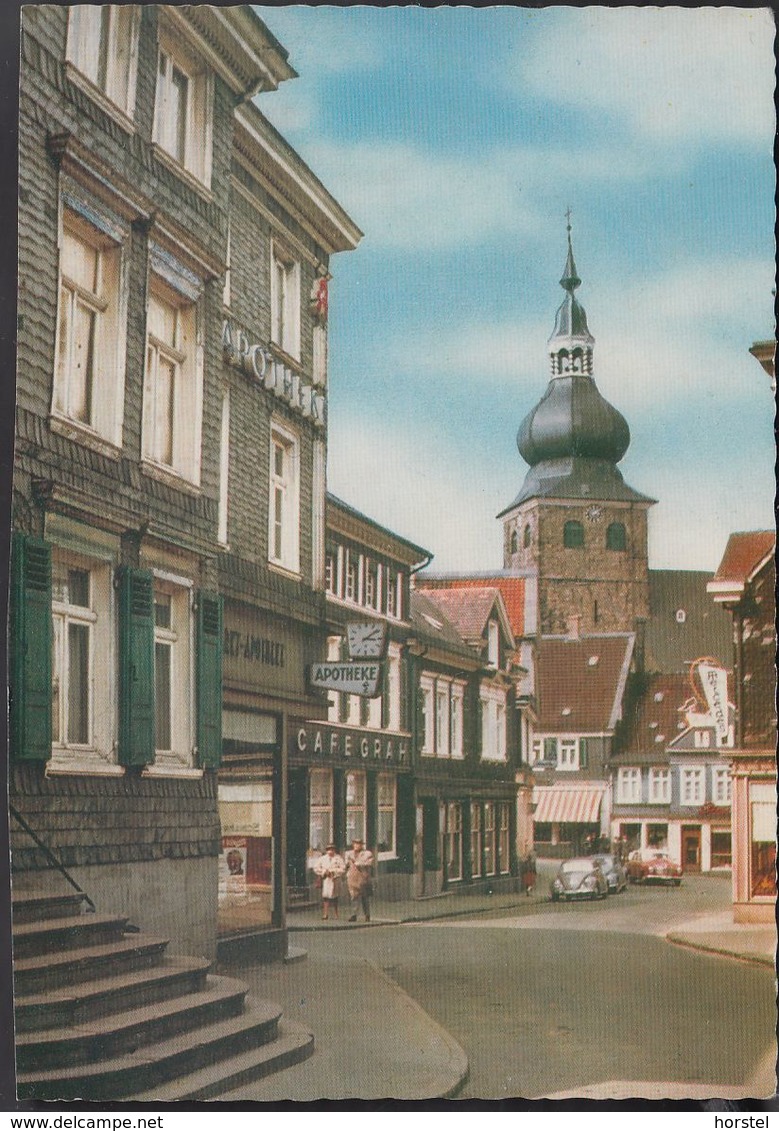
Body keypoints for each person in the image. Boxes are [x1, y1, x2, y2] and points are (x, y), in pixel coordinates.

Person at [344, 838, 374, 922]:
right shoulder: (348, 853)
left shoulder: (367, 853)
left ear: (361, 845)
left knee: (365, 897)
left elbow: (369, 863)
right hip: (352, 877)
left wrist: (358, 863)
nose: (356, 845)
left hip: (363, 877)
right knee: (354, 897)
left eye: (358, 844)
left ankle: (367, 915)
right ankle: (354, 914)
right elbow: (346, 864)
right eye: (355, 844)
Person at [313, 843, 345, 921]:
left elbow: (343, 868)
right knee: (326, 897)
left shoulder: (338, 858)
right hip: (326, 879)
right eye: (329, 850)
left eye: (332, 850)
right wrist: (324, 871)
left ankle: (336, 914)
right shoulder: (322, 858)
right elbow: (316, 868)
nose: (330, 851)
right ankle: (325, 913)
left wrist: (333, 872)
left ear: (334, 850)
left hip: (335, 879)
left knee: (335, 897)